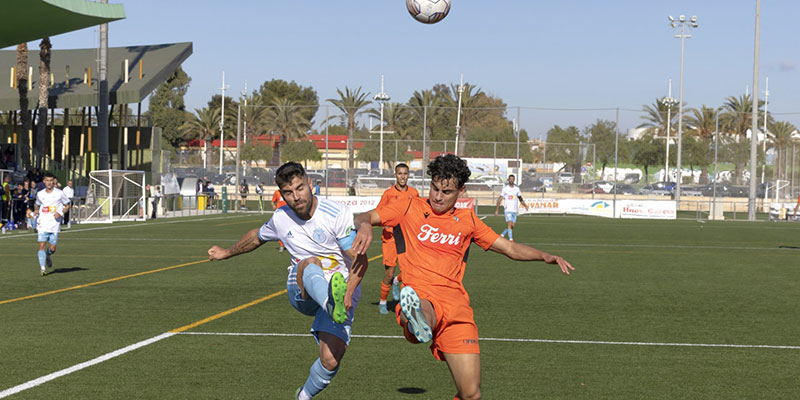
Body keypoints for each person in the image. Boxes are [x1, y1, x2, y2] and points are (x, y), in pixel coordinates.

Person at [352, 154, 574, 400]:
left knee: (471, 394)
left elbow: (509, 248)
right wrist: (363, 225)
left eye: (446, 191)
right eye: (434, 188)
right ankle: (414, 318)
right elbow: (365, 216)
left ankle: (417, 320)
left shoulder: (468, 221)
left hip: (457, 308)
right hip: (422, 294)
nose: (437, 196)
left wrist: (546, 256)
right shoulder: (409, 207)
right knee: (421, 310)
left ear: (461, 191)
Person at [207, 162, 368, 400]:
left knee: (330, 359)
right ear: (282, 194)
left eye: (300, 188)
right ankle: (328, 303)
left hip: (342, 292)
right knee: (310, 262)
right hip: (302, 288)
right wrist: (226, 252)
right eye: (288, 192)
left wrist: (347, 294)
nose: (296, 197)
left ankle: (303, 396)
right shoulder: (281, 217)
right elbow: (256, 237)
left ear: (310, 183)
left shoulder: (336, 214)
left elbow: (360, 261)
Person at [375, 163, 419, 314]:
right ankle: (383, 302)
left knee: (411, 271)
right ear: (395, 175)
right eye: (399, 173)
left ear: (408, 175)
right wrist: (386, 225)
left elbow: (418, 213)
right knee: (389, 273)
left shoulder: (414, 193)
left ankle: (396, 282)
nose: (402, 176)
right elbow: (379, 213)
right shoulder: (388, 194)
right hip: (391, 239)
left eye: (405, 173)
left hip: (407, 238)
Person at [34, 172, 71, 276]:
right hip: (42, 223)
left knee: (52, 248)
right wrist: (36, 210)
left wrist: (60, 213)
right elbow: (36, 204)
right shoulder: (40, 194)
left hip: (54, 224)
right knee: (41, 245)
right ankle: (42, 268)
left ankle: (47, 255)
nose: (49, 183)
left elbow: (67, 205)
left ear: (53, 181)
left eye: (51, 180)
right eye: (47, 180)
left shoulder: (59, 193)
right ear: (44, 181)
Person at [494, 174, 529, 242]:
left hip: (514, 210)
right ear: (508, 180)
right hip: (507, 209)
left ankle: (502, 235)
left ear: (514, 180)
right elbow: (500, 199)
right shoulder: (505, 189)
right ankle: (510, 239)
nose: (511, 180)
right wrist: (496, 210)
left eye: (512, 179)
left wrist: (525, 205)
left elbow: (520, 198)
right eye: (510, 179)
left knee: (512, 225)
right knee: (510, 223)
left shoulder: (517, 189)